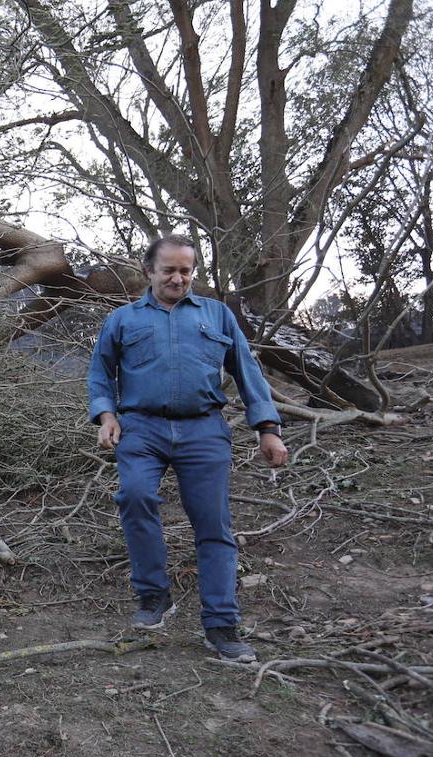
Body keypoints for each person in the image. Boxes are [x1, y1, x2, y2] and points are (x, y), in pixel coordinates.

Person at [86, 235, 288, 663]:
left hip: (203, 431)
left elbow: (247, 370)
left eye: (186, 271)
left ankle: (220, 625)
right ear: (148, 271)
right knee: (135, 497)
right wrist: (107, 417)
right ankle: (154, 595)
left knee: (213, 526)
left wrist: (267, 427)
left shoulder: (216, 315)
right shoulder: (122, 320)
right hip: (141, 430)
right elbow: (100, 375)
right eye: (169, 270)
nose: (178, 278)